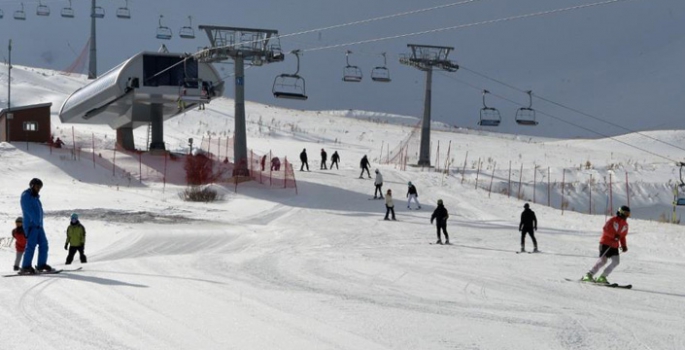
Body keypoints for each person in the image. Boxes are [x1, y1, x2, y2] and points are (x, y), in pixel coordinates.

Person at [582, 205, 631, 284]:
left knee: (616, 261)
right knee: (603, 261)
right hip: (605, 243)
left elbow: (622, 236)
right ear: (621, 212)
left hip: (614, 246)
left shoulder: (625, 225)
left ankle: (603, 277)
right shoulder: (613, 220)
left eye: (628, 214)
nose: (627, 216)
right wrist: (614, 236)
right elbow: (605, 229)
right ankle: (588, 275)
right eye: (626, 213)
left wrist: (624, 245)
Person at [19, 178, 53, 274]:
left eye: (40, 187)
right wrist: (35, 222)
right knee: (31, 246)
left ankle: (41, 265)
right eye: (37, 186)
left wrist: (40, 223)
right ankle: (25, 267)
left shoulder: (36, 198)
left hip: (39, 226)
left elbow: (39, 212)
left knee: (44, 245)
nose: (39, 189)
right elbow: (28, 210)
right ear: (32, 185)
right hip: (31, 226)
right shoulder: (26, 196)